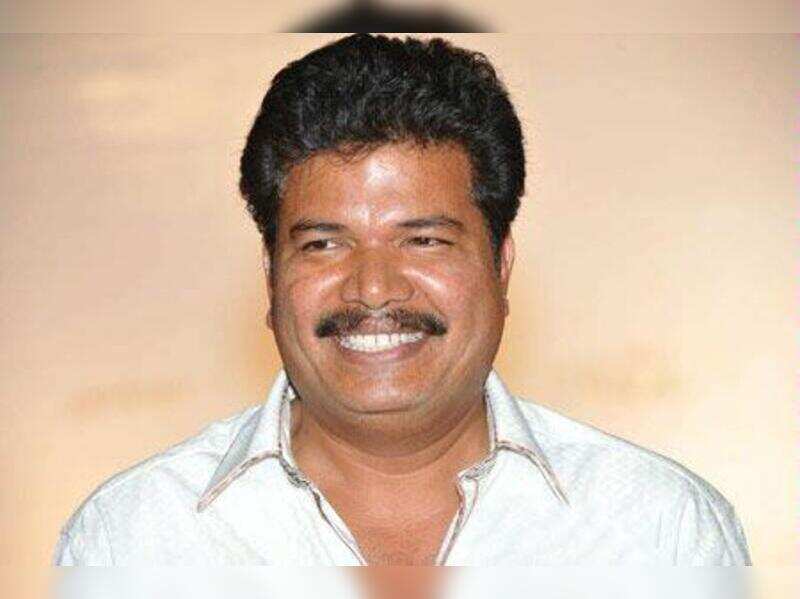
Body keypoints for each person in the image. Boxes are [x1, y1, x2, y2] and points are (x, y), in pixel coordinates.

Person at [53, 33, 751, 566]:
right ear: (270, 276)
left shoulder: (660, 530)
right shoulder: (132, 539)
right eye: (323, 243)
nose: (373, 288)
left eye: (423, 240)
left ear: (500, 264)